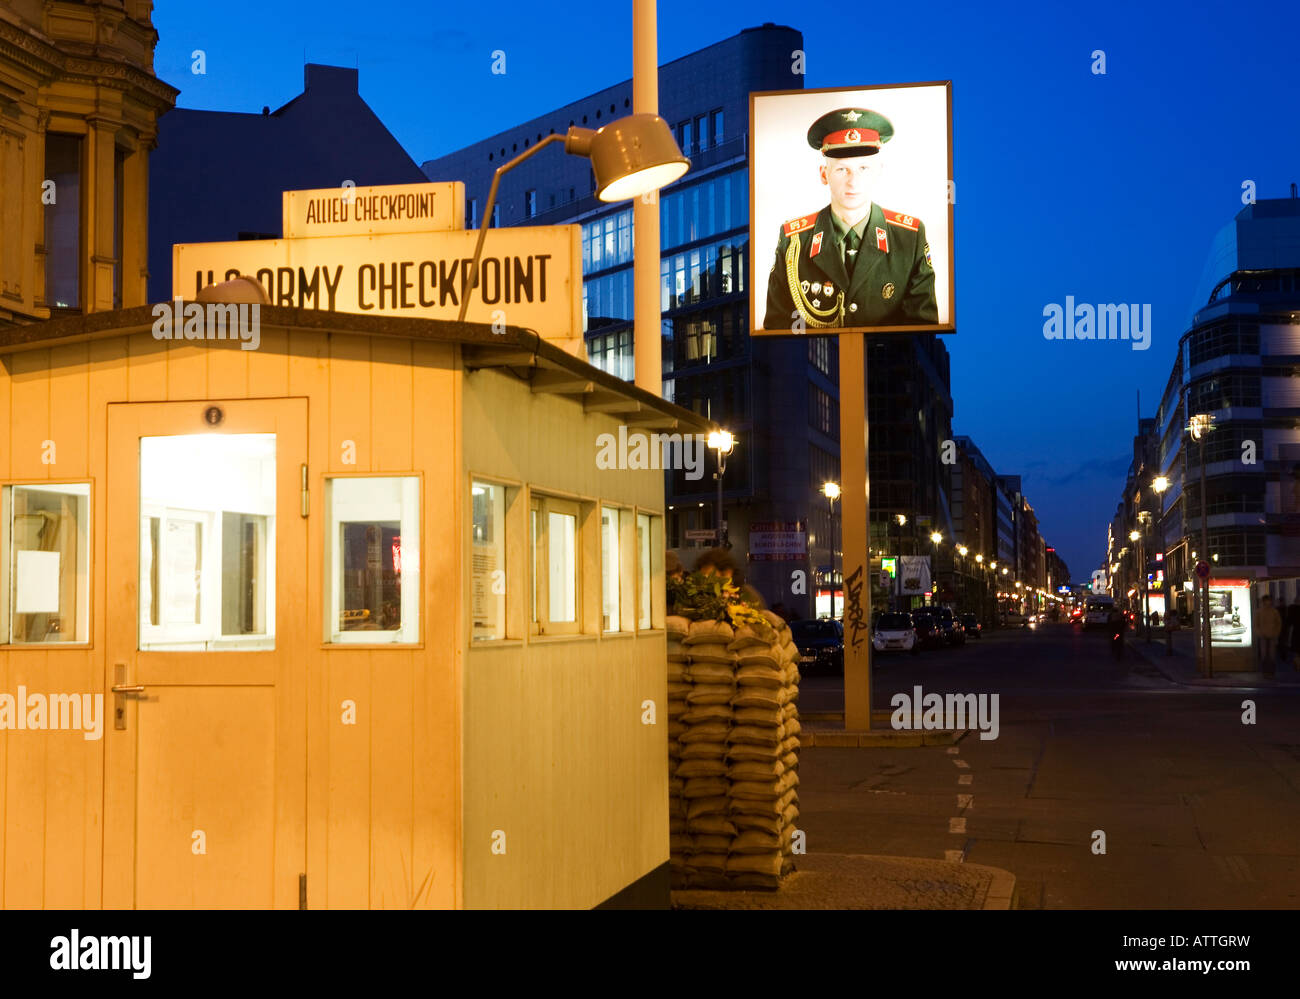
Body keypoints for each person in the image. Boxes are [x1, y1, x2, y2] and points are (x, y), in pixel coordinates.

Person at [763, 107, 938, 331]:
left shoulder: (909, 237)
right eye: (842, 170)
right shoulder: (794, 239)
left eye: (863, 168)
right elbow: (776, 331)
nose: (853, 182)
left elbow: (922, 331)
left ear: (878, 172)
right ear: (824, 175)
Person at [1257, 595, 1281, 676]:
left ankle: (1271, 672)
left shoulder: (1274, 612)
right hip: (1263, 636)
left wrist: (1276, 633)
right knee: (1264, 655)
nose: (1268, 602)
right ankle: (1265, 672)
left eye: (1269, 600)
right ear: (1263, 602)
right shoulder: (1259, 612)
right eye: (1266, 600)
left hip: (1272, 636)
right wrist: (1260, 633)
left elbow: (1279, 623)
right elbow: (1256, 624)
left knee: (1272, 655)